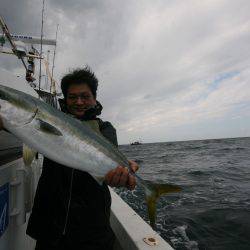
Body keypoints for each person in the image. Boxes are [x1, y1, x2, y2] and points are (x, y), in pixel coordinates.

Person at [0, 66, 139, 250]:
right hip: (49, 229)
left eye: (85, 96)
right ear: (65, 99)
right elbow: (24, 132)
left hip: (91, 231)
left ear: (94, 98)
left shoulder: (104, 129)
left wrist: (117, 176)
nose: (79, 102)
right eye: (72, 97)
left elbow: (106, 167)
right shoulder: (38, 121)